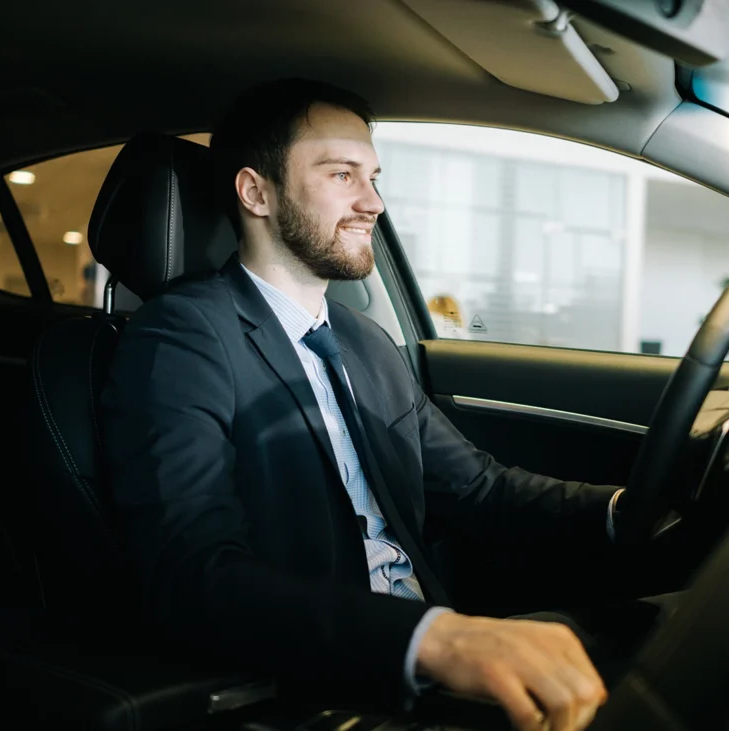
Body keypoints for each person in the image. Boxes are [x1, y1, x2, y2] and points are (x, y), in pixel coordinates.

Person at [101, 79, 659, 731]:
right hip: (328, 688)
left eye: (374, 177)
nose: (374, 202)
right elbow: (192, 571)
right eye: (343, 175)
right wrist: (436, 639)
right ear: (256, 192)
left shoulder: (364, 340)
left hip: (428, 674)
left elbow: (481, 489)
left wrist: (632, 510)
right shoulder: (183, 337)